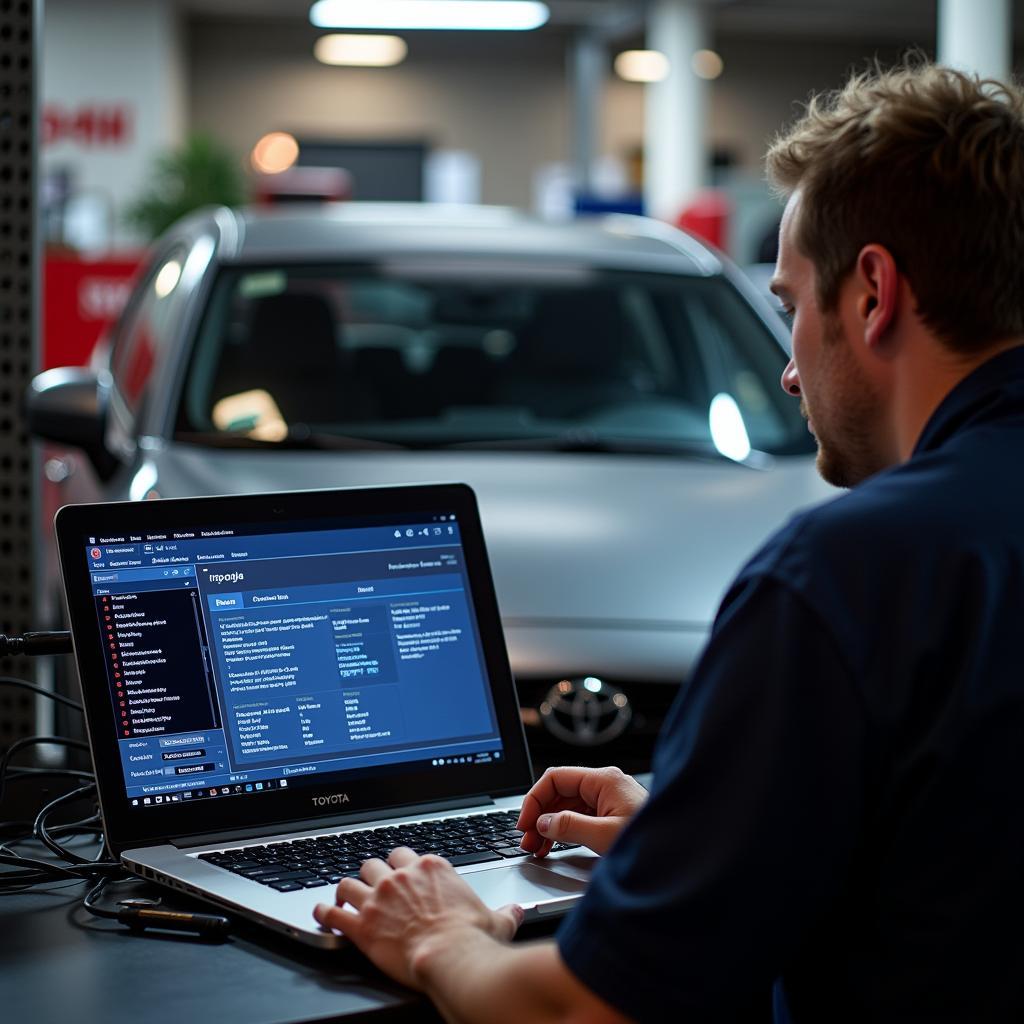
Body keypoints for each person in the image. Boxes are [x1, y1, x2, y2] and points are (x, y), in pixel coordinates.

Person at [313, 62, 1024, 1022]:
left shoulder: (848, 575)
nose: (786, 372)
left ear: (871, 295)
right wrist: (709, 841)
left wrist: (440, 937)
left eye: (789, 307)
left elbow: (579, 1011)